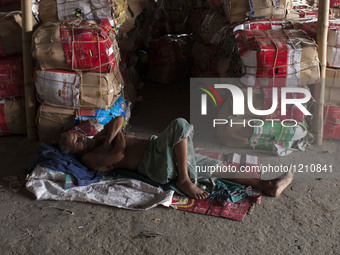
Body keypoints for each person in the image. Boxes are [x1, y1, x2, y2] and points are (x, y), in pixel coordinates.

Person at [59, 117, 293, 200]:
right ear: (76, 153)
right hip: (154, 164)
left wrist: (112, 136)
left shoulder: (98, 139)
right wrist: (115, 139)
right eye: (77, 144)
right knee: (180, 125)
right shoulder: (89, 158)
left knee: (216, 166)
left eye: (78, 136)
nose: (82, 140)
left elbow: (118, 119)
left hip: (161, 152)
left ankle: (267, 185)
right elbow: (118, 153)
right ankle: (183, 179)